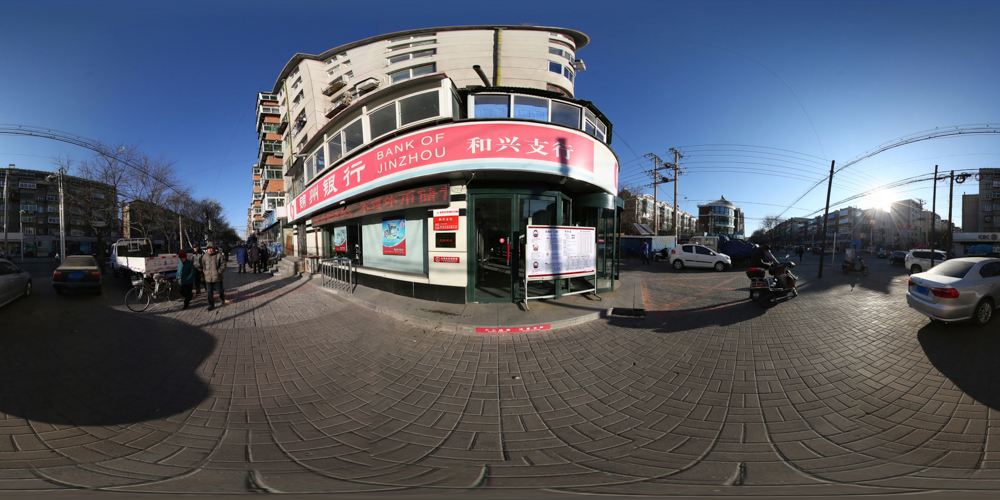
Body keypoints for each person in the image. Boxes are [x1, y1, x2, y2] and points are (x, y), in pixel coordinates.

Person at [202, 242, 227, 311]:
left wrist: (218, 272)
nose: (209, 250)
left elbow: (223, 264)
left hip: (217, 278)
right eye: (208, 248)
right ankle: (211, 305)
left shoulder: (219, 255)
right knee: (209, 292)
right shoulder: (205, 256)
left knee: (220, 291)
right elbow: (203, 265)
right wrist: (205, 272)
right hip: (208, 278)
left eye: (211, 248)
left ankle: (222, 298)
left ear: (213, 248)